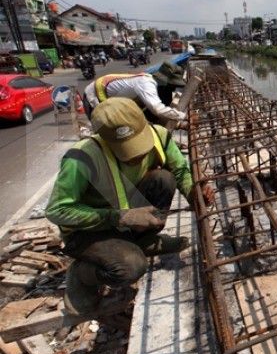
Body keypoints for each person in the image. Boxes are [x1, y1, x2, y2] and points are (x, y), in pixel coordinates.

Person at [46, 98, 214, 315]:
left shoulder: (159, 136)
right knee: (131, 267)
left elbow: (180, 171)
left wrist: (194, 192)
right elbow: (57, 210)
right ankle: (82, 274)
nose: (137, 156)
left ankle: (142, 242)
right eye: (127, 151)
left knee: (164, 179)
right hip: (88, 231)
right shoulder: (82, 158)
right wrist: (118, 217)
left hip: (126, 216)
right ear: (106, 141)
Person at [82, 70, 186, 124]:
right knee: (105, 130)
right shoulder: (147, 85)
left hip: (109, 99)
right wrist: (183, 117)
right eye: (172, 85)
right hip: (94, 97)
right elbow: (157, 109)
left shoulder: (148, 79)